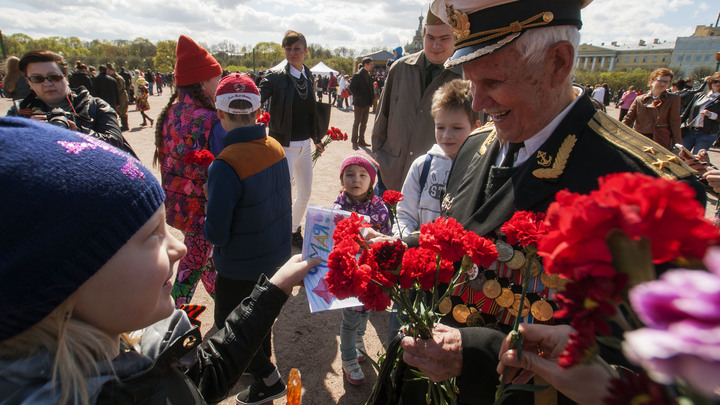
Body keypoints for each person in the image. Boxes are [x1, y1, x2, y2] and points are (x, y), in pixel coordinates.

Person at [395, 0, 705, 403]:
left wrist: (480, 352)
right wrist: (401, 248)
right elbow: (466, 253)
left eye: (491, 81)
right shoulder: (474, 146)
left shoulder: (651, 189)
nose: (476, 103)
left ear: (558, 63)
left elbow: (656, 379)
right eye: (470, 82)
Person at [0, 116, 321, 405]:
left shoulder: (133, 344)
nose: (179, 249)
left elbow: (204, 377)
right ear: (66, 276)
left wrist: (274, 290)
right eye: (152, 235)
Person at [203, 73, 292, 404]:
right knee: (260, 321)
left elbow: (217, 232)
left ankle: (268, 379)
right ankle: (259, 374)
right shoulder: (275, 146)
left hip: (239, 265)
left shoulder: (225, 164)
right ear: (258, 112)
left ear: (221, 114)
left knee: (230, 324)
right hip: (274, 258)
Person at [154, 35, 223, 307]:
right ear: (203, 82)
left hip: (178, 203)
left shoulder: (170, 112)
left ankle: (224, 299)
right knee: (193, 260)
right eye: (216, 78)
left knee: (205, 256)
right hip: (203, 206)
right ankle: (172, 315)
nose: (220, 83)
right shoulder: (211, 119)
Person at [371, 8, 462, 194]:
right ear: (423, 35)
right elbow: (382, 118)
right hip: (391, 177)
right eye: (430, 38)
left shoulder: (466, 76)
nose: (436, 45)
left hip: (434, 183)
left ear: (456, 38)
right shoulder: (400, 69)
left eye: (444, 38)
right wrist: (381, 158)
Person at [259, 30, 325, 249]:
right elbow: (259, 95)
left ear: (306, 51)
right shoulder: (275, 75)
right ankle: (276, 235)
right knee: (282, 194)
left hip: (304, 144)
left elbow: (310, 110)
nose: (292, 52)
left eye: (297, 48)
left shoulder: (307, 73)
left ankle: (293, 229)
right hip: (282, 145)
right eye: (288, 48)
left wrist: (316, 137)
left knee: (305, 192)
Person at [6, 50, 135, 157]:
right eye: (37, 79)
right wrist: (28, 133)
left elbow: (117, 144)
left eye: (53, 77)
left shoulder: (95, 106)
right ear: (29, 82)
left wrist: (76, 130)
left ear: (65, 76)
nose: (47, 83)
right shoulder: (19, 111)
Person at [332, 151, 391, 385]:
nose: (356, 180)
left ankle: (358, 342)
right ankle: (348, 360)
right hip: (349, 275)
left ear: (371, 180)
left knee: (365, 312)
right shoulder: (338, 207)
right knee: (349, 319)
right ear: (342, 179)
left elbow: (386, 238)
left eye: (362, 175)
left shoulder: (380, 208)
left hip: (371, 275)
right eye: (350, 174)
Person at [395, 79, 480, 238]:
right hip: (421, 253)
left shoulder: (480, 167)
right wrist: (403, 242)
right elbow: (405, 215)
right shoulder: (422, 166)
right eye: (440, 127)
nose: (447, 135)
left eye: (457, 128)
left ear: (476, 127)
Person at [622, 68, 682, 150]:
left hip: (660, 139)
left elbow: (675, 122)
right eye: (660, 81)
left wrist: (678, 144)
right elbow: (628, 118)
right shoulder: (639, 99)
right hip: (640, 138)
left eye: (666, 82)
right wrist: (618, 133)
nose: (663, 84)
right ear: (652, 81)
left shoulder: (673, 99)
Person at [680, 72, 720, 154]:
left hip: (707, 134)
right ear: (711, 82)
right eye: (716, 81)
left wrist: (711, 115)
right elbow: (686, 113)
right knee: (680, 155)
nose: (718, 84)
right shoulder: (699, 95)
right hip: (690, 131)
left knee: (697, 160)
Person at [349, 57, 374, 149]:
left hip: (366, 103)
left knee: (364, 123)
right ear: (365, 65)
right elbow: (351, 88)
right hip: (359, 103)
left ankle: (361, 141)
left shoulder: (368, 74)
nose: (371, 66)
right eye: (370, 64)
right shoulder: (358, 75)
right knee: (357, 123)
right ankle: (354, 142)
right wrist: (359, 96)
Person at [107, 63, 130, 132]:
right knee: (119, 111)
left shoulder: (118, 78)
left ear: (112, 70)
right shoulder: (111, 78)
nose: (108, 72)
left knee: (123, 111)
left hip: (121, 96)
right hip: (117, 96)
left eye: (109, 70)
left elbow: (120, 88)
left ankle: (125, 126)